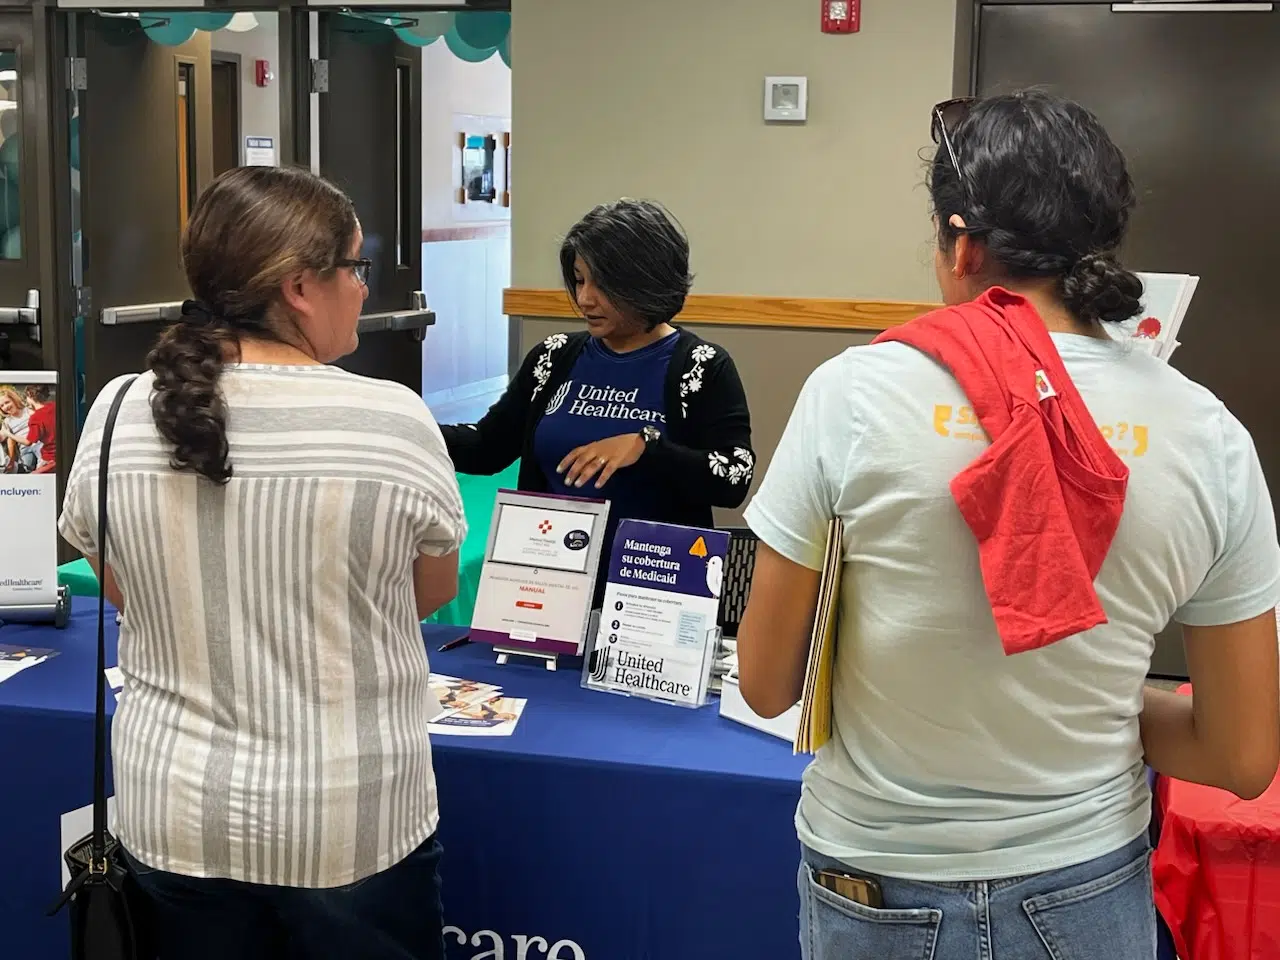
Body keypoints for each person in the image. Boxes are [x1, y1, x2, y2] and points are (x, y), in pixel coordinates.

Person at [737, 90, 1279, 959]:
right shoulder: (1207, 433)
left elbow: (767, 683)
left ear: (960, 244)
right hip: (1088, 887)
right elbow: (1244, 755)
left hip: (873, 883)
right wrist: (1092, 700)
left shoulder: (853, 393)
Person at [57, 166, 466, 960]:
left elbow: (121, 588)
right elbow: (428, 593)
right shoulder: (391, 418)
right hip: (346, 821)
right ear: (301, 286)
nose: (363, 288)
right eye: (356, 267)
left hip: (174, 815)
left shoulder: (115, 412)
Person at [440, 199, 754, 592]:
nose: (585, 298)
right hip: (546, 585)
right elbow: (486, 447)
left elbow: (733, 478)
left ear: (646, 282)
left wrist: (647, 447)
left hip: (653, 595)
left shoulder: (702, 366)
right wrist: (411, 426)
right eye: (579, 279)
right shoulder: (554, 357)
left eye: (602, 284)